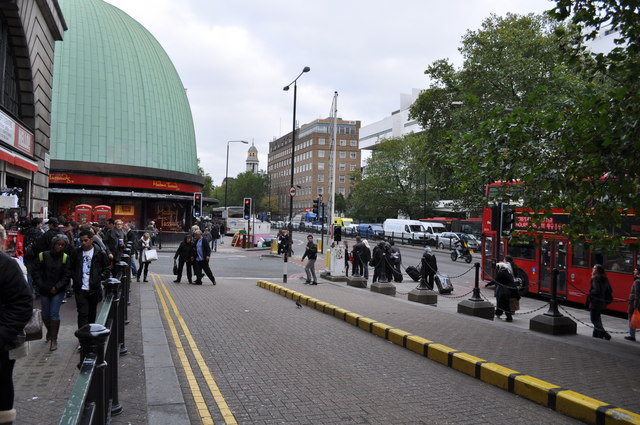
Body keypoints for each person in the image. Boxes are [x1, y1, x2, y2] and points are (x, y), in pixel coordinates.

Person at [0, 225, 33, 425]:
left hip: (1, 347)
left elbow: (22, 305)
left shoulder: (6, 266)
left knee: (2, 385)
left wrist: (2, 335)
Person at [32, 234, 72, 350]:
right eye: (58, 244)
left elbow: (66, 275)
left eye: (62, 245)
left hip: (58, 291)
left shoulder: (65, 258)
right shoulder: (43, 256)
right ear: (53, 244)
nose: (60, 246)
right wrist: (42, 285)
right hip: (45, 289)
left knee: (54, 313)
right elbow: (36, 272)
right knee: (45, 314)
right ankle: (50, 331)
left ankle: (54, 339)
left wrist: (57, 287)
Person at [72, 230, 110, 330]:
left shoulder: (100, 253)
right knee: (82, 313)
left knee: (92, 314)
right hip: (80, 289)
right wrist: (75, 279)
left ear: (92, 240)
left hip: (94, 289)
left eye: (86, 240)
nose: (83, 243)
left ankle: (90, 335)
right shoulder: (76, 253)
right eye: (81, 241)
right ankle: (82, 339)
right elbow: (71, 268)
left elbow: (107, 269)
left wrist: (98, 277)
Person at [589, 264, 613, 340]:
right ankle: (596, 335)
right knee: (597, 318)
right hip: (602, 302)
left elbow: (596, 290)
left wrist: (590, 292)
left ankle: (604, 334)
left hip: (595, 301)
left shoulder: (595, 278)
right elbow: (610, 289)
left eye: (593, 268)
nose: (592, 269)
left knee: (593, 319)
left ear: (596, 270)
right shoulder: (606, 279)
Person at [625, 267, 640, 341]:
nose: (634, 271)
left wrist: (635, 306)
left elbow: (637, 294)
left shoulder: (637, 281)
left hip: (634, 303)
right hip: (636, 302)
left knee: (631, 318)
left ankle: (632, 335)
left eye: (636, 270)